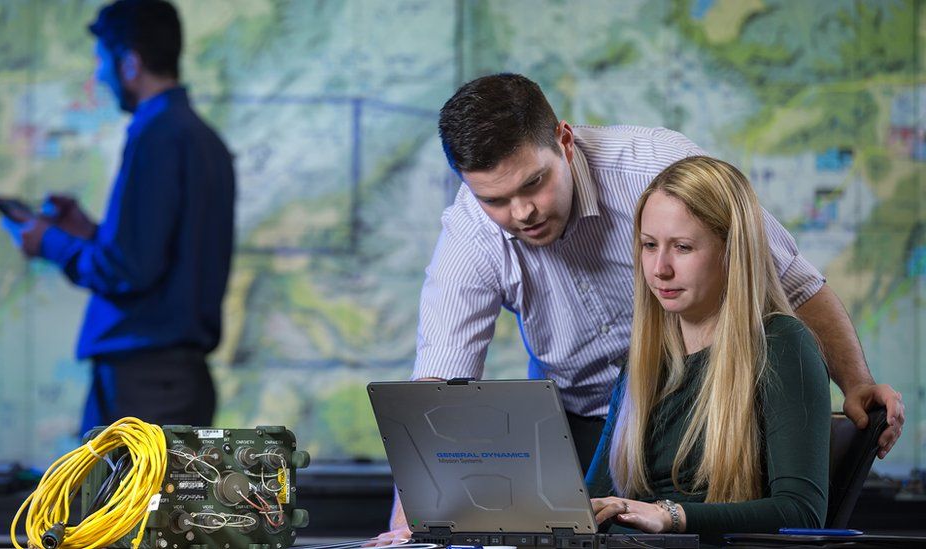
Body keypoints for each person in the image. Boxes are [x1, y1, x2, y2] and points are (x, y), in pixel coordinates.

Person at [379, 73, 903, 540]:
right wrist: (409, 530)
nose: (522, 213)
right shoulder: (470, 235)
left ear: (563, 141)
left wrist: (856, 383)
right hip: (595, 410)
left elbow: (792, 279)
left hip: (722, 402)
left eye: (533, 183)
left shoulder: (656, 169)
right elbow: (437, 398)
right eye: (495, 200)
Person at [2, 0, 235, 435]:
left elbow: (128, 268)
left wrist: (48, 241)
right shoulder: (203, 138)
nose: (99, 77)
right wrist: (90, 234)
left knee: (126, 505)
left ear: (130, 63)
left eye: (101, 62)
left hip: (144, 381)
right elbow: (164, 252)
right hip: (171, 379)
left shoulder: (157, 134)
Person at [586, 156, 829, 543]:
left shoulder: (783, 345)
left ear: (732, 252)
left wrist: (672, 516)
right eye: (650, 245)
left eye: (682, 247)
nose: (659, 269)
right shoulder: (643, 361)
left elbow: (801, 511)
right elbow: (594, 501)